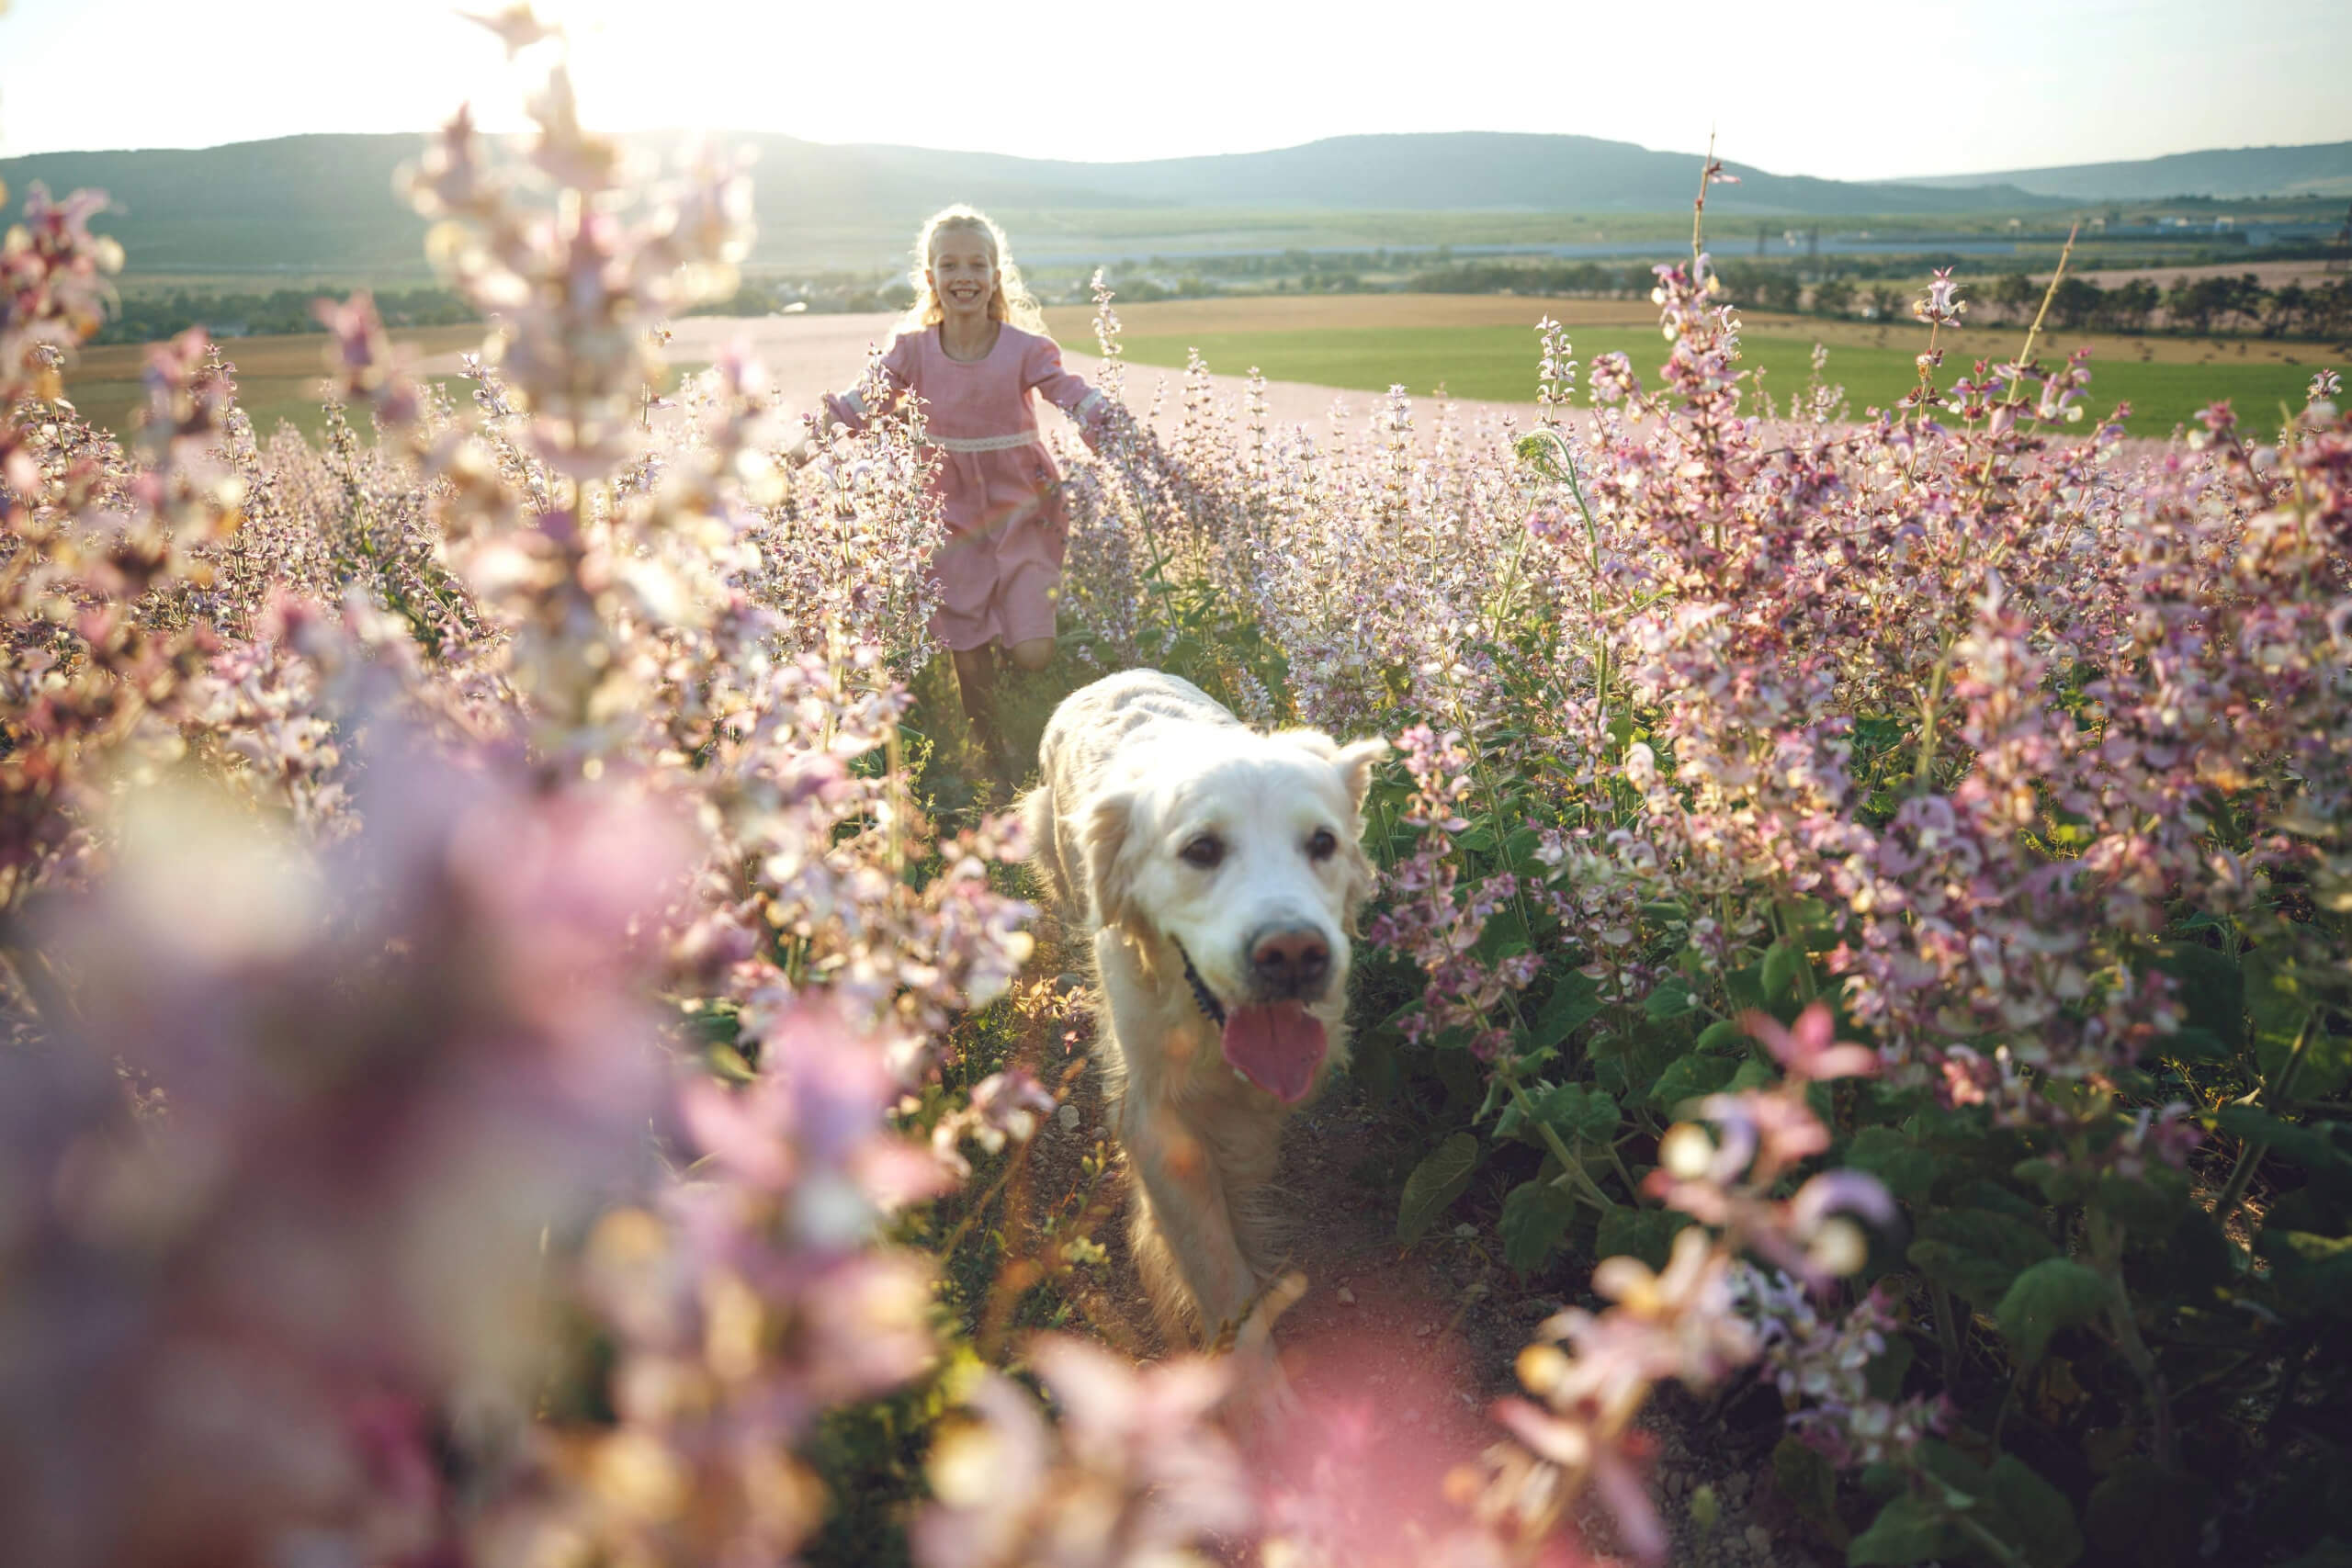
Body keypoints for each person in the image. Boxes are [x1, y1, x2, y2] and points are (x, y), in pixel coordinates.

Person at [792, 205, 1121, 783]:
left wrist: (1107, 421)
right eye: (949, 264)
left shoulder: (1024, 348)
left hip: (1022, 506)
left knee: (1032, 652)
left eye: (976, 264)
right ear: (930, 277)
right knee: (967, 646)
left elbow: (1066, 389)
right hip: (944, 511)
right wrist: (789, 458)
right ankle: (995, 757)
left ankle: (1027, 677)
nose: (963, 275)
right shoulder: (912, 350)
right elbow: (855, 405)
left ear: (996, 276)